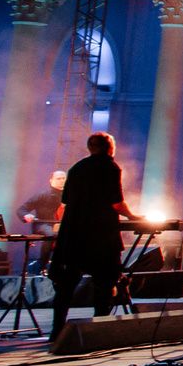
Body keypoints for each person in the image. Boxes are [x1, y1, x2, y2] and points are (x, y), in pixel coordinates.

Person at [46, 133, 135, 338]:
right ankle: (98, 330)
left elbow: (64, 204)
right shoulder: (110, 167)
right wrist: (133, 216)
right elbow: (116, 203)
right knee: (105, 284)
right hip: (100, 236)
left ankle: (57, 330)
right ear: (110, 147)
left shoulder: (76, 168)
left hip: (74, 236)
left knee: (66, 286)